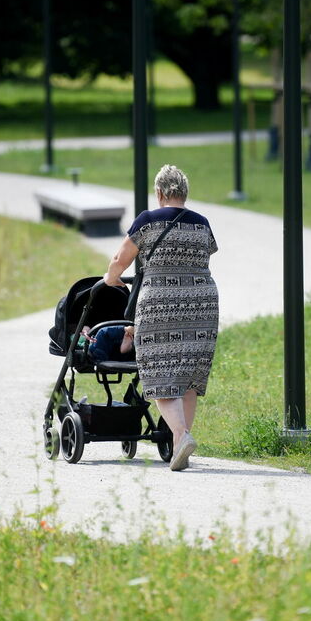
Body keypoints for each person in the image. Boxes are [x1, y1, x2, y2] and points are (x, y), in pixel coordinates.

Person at [103, 164, 219, 471]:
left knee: (159, 372)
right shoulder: (202, 223)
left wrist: (110, 279)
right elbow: (206, 255)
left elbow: (119, 260)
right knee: (188, 376)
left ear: (159, 193)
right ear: (184, 193)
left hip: (160, 303)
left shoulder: (148, 221)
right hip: (203, 303)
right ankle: (183, 442)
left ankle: (180, 436)